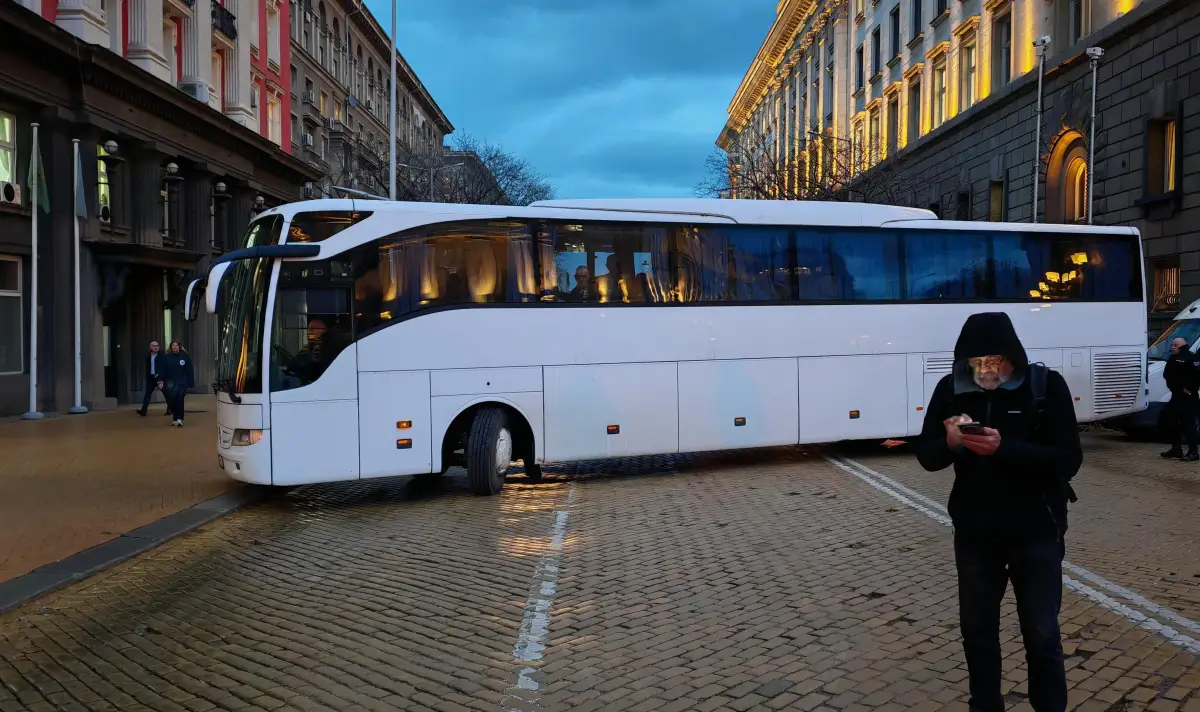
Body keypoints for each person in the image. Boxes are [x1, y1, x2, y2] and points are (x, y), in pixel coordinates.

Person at [916, 312, 1082, 712]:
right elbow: (926, 455)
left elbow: (1068, 460)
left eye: (994, 361)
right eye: (976, 363)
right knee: (977, 633)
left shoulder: (1046, 387)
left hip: (1036, 533)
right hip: (975, 535)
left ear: (1013, 356)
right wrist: (952, 441)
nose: (986, 370)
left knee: (1042, 636)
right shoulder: (951, 390)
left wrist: (1003, 447)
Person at [1161, 336, 1200, 461]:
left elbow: (1196, 376)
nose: (1172, 347)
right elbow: (1167, 374)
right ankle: (1176, 448)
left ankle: (1193, 452)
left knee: (1188, 424)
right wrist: (1177, 387)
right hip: (1176, 396)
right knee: (1168, 419)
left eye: (1175, 345)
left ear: (1181, 346)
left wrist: (1188, 388)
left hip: (1188, 397)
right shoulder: (1173, 358)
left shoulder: (1192, 358)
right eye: (1172, 345)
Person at [159, 341, 194, 427]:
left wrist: (191, 382)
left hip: (182, 382)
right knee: (173, 400)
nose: (175, 347)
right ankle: (175, 419)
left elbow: (189, 370)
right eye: (173, 345)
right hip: (171, 383)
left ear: (179, 346)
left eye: (176, 345)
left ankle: (179, 419)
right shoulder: (167, 357)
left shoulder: (184, 357)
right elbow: (163, 369)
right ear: (171, 347)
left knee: (180, 398)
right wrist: (160, 380)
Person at [136, 340, 162, 417]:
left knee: (167, 393)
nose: (156, 347)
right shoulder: (148, 356)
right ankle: (143, 411)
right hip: (151, 377)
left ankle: (170, 408)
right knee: (147, 394)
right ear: (150, 347)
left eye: (157, 345)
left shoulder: (161, 355)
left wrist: (161, 378)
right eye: (154, 346)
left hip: (159, 377)